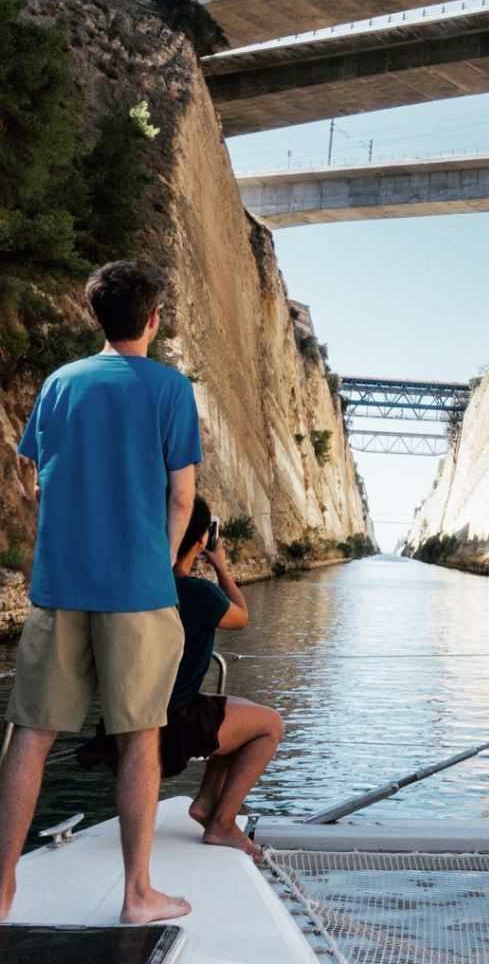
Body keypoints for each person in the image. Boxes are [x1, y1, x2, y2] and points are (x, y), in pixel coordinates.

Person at [0, 260, 201, 924]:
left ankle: (1, 889)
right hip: (137, 590)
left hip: (59, 585)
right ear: (154, 319)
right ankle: (138, 895)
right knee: (140, 735)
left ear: (94, 316)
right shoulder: (170, 389)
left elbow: (37, 479)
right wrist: (161, 562)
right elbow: (181, 497)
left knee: (31, 733)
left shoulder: (59, 383)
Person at [77, 496, 284, 861]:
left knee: (246, 710)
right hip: (175, 721)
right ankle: (222, 824)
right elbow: (241, 616)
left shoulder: (138, 583)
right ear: (201, 540)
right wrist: (221, 566)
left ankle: (205, 804)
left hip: (127, 716)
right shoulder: (197, 593)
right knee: (269, 725)